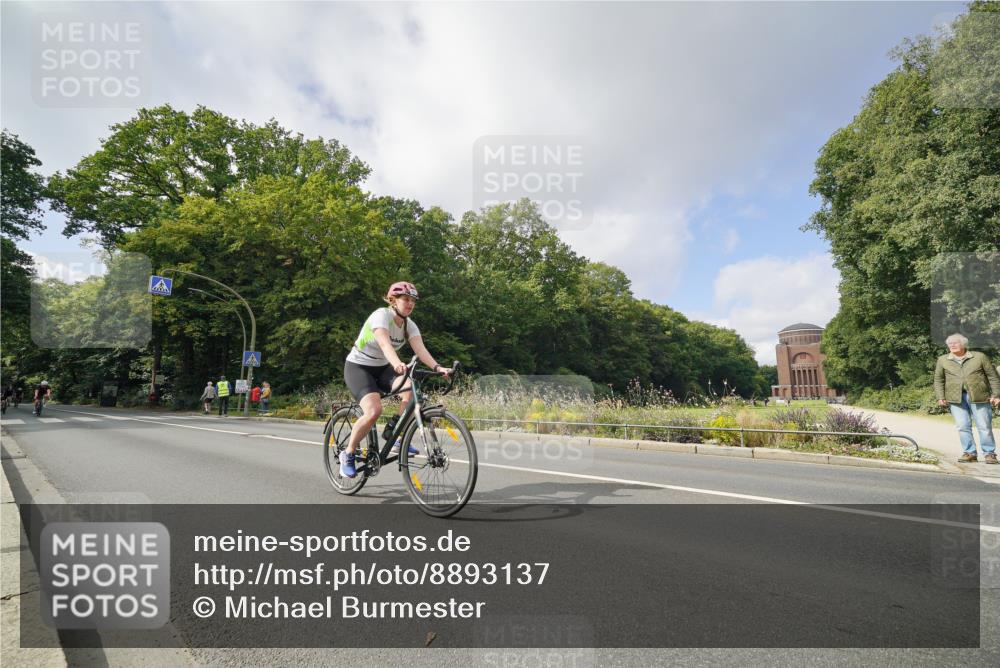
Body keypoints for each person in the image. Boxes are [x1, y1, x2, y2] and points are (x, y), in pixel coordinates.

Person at [340, 281, 451, 478]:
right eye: (405, 299)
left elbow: (421, 350)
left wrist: (438, 367)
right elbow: (384, 343)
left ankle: (397, 437)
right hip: (359, 366)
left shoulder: (410, 325)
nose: (410, 304)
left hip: (383, 367)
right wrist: (398, 363)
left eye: (413, 301)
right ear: (393, 300)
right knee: (374, 411)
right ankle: (347, 453)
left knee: (410, 389)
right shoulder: (381, 315)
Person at [935, 333, 1000, 464]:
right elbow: (938, 379)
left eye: (955, 342)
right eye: (949, 343)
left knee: (984, 426)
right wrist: (940, 396)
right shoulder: (943, 359)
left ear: (964, 344)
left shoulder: (979, 357)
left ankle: (989, 454)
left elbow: (992, 376)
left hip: (980, 396)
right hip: (955, 398)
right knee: (962, 426)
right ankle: (970, 453)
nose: (952, 345)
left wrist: (996, 395)